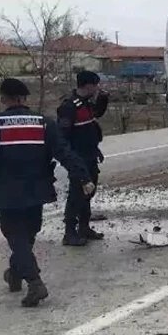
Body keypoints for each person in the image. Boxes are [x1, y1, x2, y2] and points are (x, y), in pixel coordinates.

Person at [0, 78, 95, 307]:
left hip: (9, 192)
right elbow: (65, 153)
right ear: (24, 99)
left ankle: (35, 282)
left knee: (16, 236)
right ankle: (15, 273)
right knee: (27, 236)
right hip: (38, 190)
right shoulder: (44, 124)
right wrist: (83, 177)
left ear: (3, 99)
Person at [57, 70, 109, 246]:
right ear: (87, 85)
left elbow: (95, 117)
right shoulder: (69, 107)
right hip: (77, 158)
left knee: (89, 191)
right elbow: (63, 136)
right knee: (77, 194)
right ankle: (69, 232)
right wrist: (71, 159)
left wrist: (103, 100)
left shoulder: (85, 104)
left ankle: (84, 227)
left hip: (90, 154)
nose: (97, 88)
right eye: (95, 85)